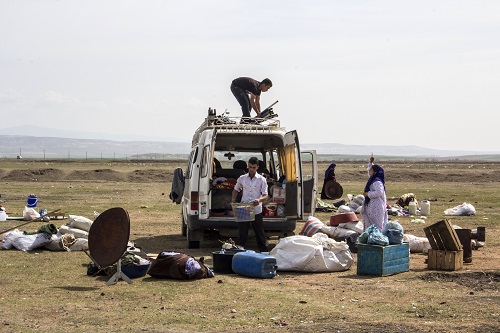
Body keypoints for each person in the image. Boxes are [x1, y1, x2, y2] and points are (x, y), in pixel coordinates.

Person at [231, 156, 269, 252]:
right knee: (242, 232)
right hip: (244, 208)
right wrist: (233, 200)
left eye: (254, 167)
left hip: (257, 210)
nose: (252, 169)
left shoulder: (262, 179)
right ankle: (239, 251)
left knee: (259, 232)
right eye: (250, 167)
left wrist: (259, 200)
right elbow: (236, 189)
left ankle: (263, 251)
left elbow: (265, 195)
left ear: (257, 167)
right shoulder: (242, 178)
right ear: (248, 166)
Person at [361, 163, 388, 231]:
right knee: (371, 226)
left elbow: (379, 192)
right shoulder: (372, 180)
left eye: (371, 170)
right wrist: (370, 163)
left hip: (376, 207)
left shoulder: (377, 181)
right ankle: (372, 238)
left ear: (374, 171)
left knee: (377, 226)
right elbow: (369, 173)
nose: (369, 171)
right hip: (372, 206)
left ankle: (377, 239)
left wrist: (368, 194)